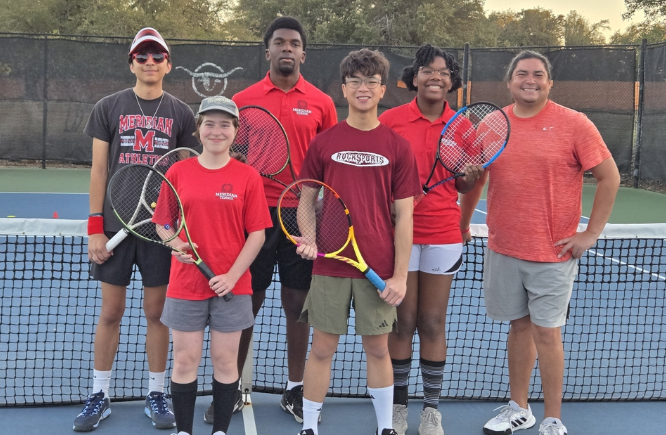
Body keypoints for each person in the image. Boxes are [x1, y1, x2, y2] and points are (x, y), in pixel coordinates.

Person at [459, 50, 620, 435]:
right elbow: (477, 179)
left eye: (538, 74)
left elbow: (609, 177)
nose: (529, 80)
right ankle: (519, 407)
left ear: (550, 82)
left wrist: (590, 233)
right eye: (521, 74)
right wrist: (463, 223)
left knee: (546, 333)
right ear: (510, 81)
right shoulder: (494, 124)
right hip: (503, 247)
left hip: (553, 252)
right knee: (518, 328)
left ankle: (552, 418)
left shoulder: (574, 124)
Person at [210, 16, 337, 424]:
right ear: (267, 51)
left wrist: (324, 217)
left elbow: (330, 164)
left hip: (302, 213)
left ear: (303, 52)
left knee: (297, 304)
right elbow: (231, 156)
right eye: (279, 42)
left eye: (293, 43)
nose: (286, 48)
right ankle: (230, 388)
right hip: (254, 215)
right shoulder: (242, 100)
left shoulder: (321, 102)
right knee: (249, 302)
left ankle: (294, 389)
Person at [76, 27, 199, 432]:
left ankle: (156, 392)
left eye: (156, 56)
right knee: (111, 311)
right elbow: (98, 170)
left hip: (160, 230)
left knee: (157, 313)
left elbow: (187, 173)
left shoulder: (181, 113)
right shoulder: (108, 107)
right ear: (131, 62)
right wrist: (96, 226)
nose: (149, 62)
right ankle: (99, 394)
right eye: (142, 56)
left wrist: (178, 231)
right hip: (113, 225)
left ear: (168, 64)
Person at [296, 48, 421, 435]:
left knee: (379, 350)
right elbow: (305, 200)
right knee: (321, 349)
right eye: (355, 81)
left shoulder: (398, 147)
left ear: (383, 89)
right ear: (344, 89)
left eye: (371, 81)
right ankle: (310, 427)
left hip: (378, 268)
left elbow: (405, 217)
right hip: (330, 265)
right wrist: (310, 239)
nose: (362, 88)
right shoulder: (323, 143)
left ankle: (386, 427)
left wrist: (400, 276)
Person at [378, 44, 483, 435]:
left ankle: (431, 410)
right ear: (414, 78)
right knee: (401, 322)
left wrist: (469, 176)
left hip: (441, 232)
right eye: (427, 70)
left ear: (452, 82)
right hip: (398, 236)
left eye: (443, 72)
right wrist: (390, 204)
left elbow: (466, 182)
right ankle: (400, 408)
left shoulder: (462, 126)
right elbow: (378, 175)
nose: (435, 76)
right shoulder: (390, 121)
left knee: (433, 321)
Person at [153, 96, 271, 435]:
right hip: (185, 285)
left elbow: (257, 234)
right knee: (185, 360)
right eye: (209, 123)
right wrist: (174, 242)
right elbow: (163, 222)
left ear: (235, 131)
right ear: (198, 130)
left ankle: (220, 430)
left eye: (225, 124)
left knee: (225, 361)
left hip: (233, 288)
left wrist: (232, 277)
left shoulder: (247, 177)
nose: (216, 131)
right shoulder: (178, 171)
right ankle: (184, 431)